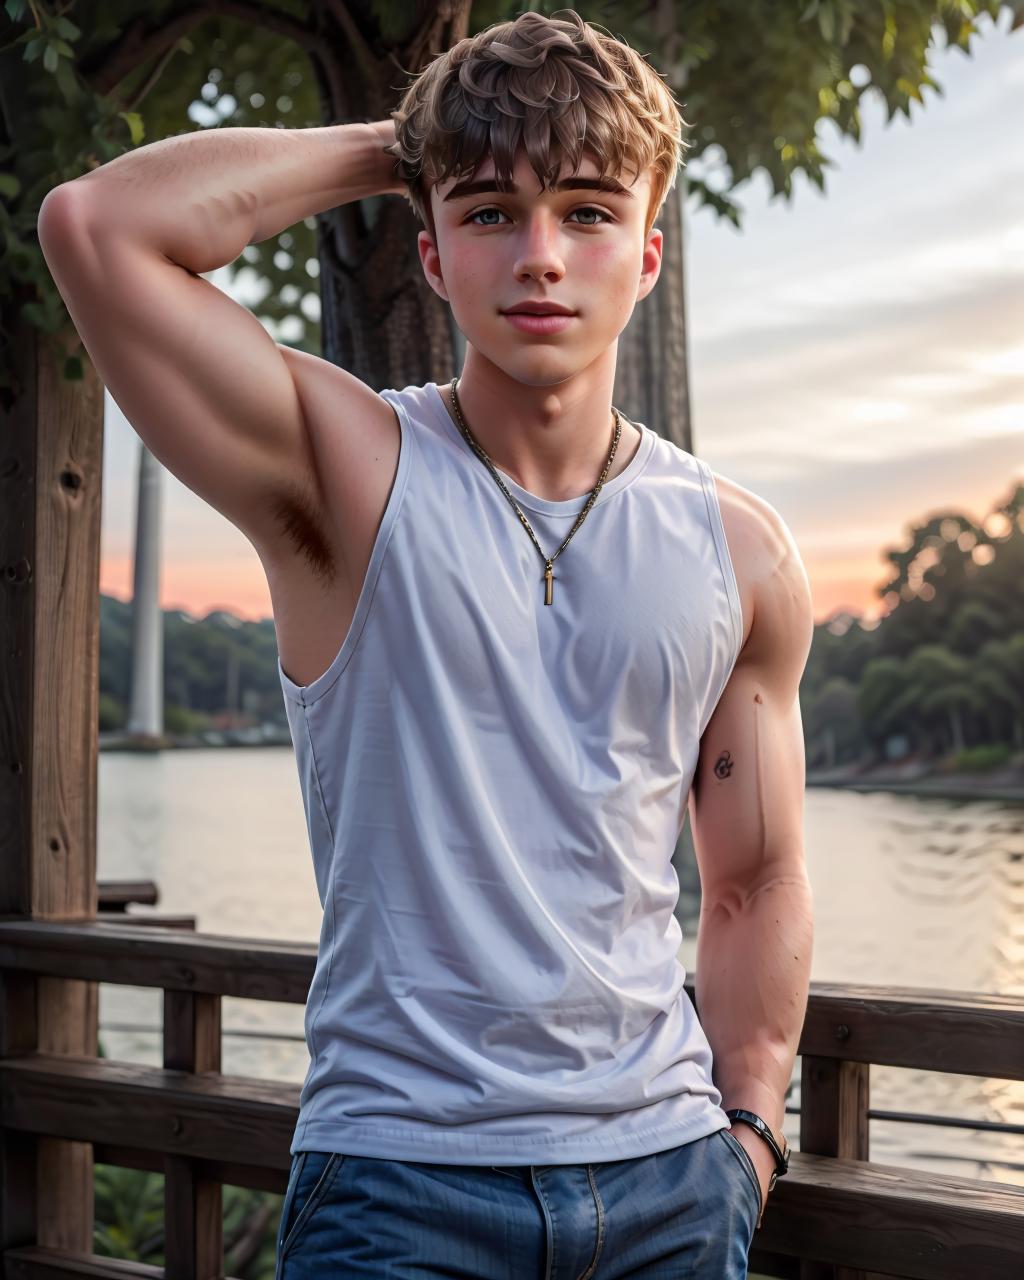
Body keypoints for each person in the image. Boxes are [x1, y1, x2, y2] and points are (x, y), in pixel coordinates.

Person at [38, 9, 814, 1277]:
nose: (542, 257)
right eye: (491, 212)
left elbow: (755, 877)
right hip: (401, 1184)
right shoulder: (347, 469)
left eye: (587, 209)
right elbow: (97, 228)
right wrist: (412, 139)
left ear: (650, 256)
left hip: (669, 1184)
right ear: (434, 256)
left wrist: (749, 1131)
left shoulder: (742, 549)